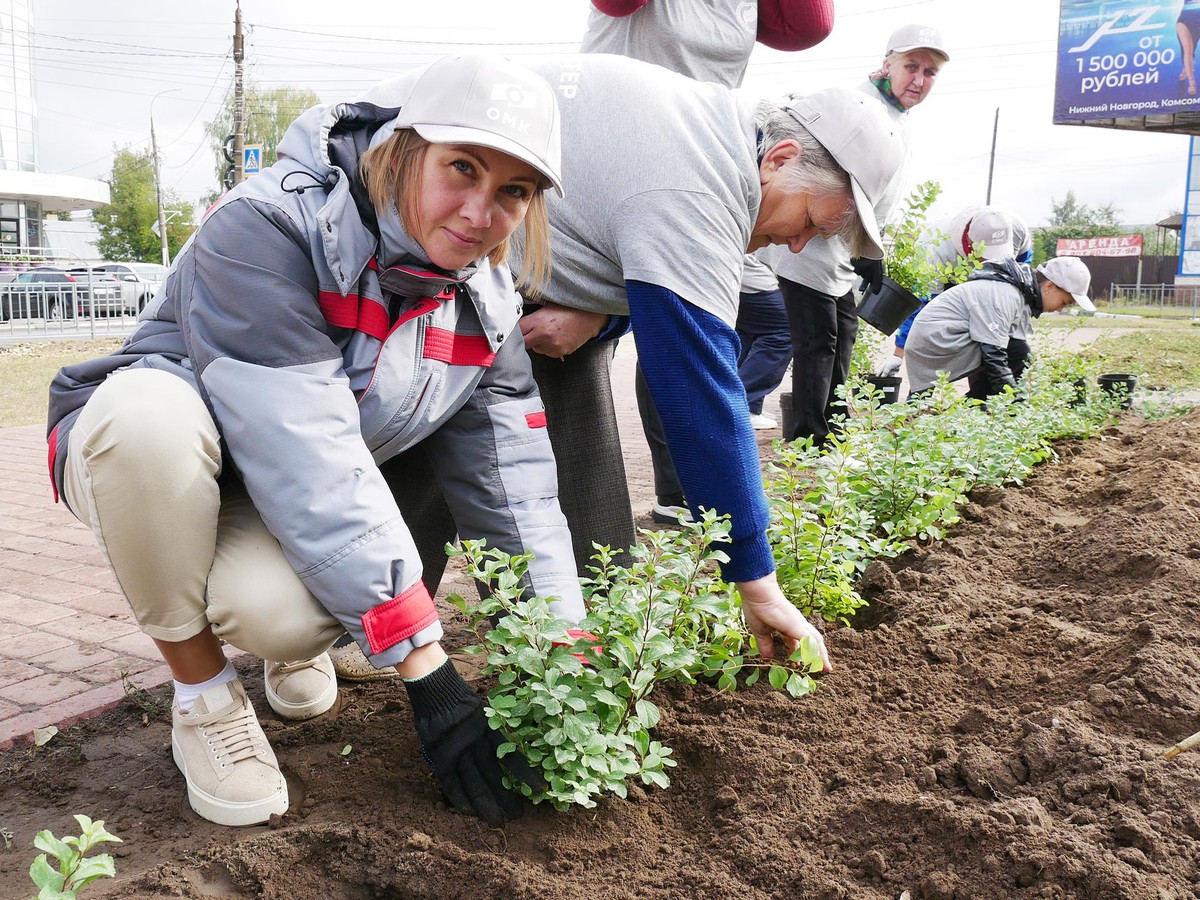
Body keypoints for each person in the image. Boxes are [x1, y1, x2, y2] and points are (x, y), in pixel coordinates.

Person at [45, 55, 585, 828]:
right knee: (145, 427)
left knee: (285, 615)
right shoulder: (267, 226)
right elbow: (305, 444)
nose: (478, 209)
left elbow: (514, 487)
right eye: (460, 167)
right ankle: (203, 698)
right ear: (404, 151)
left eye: (513, 191)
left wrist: (564, 652)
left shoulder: (483, 301)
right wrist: (428, 670)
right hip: (152, 453)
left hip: (276, 487)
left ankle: (286, 650)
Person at [517, 53, 907, 670]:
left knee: (574, 464)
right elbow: (700, 391)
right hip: (422, 254)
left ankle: (587, 637)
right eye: (809, 220)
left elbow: (626, 259)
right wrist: (757, 582)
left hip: (524, 284)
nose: (799, 244)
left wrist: (599, 314)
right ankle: (351, 630)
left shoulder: (715, 134)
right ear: (778, 159)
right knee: (440, 442)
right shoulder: (700, 183)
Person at [581, 0, 837, 522]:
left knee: (667, 332)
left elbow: (809, 26)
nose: (799, 245)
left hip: (704, 166)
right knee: (596, 366)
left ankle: (678, 495)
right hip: (613, 155)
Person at [757, 23, 948, 444]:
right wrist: (859, 239)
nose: (919, 80)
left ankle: (835, 430)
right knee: (817, 344)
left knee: (843, 338)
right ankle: (808, 440)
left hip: (842, 253)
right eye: (911, 66)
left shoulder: (897, 115)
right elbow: (822, 183)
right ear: (887, 64)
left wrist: (869, 249)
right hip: (807, 247)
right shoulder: (859, 106)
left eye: (930, 72)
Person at [904, 220, 1096, 399]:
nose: (1060, 309)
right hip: (936, 340)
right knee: (1004, 353)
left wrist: (1033, 392)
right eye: (1064, 302)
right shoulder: (1006, 294)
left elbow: (1020, 356)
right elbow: (994, 355)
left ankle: (972, 409)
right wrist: (1013, 403)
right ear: (1050, 287)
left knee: (1017, 352)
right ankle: (969, 410)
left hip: (946, 336)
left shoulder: (1019, 294)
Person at [879, 205, 1034, 378]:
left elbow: (1023, 278)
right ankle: (924, 393)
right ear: (970, 246)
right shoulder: (935, 249)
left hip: (993, 284)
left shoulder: (1018, 230)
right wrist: (898, 354)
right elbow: (922, 310)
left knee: (997, 342)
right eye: (986, 256)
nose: (992, 263)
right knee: (942, 333)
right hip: (949, 280)